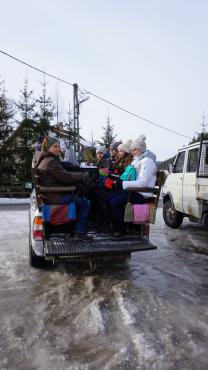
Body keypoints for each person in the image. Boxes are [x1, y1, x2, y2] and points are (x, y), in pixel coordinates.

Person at [35, 136, 92, 241]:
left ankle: (74, 229)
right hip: (55, 196)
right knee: (85, 203)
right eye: (55, 146)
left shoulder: (45, 159)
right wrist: (82, 175)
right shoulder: (50, 162)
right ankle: (79, 232)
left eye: (59, 146)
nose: (58, 149)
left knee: (79, 195)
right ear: (47, 148)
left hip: (49, 195)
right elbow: (68, 178)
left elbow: (63, 176)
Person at [107, 135, 157, 237]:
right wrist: (118, 180)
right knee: (109, 198)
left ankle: (121, 230)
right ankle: (119, 226)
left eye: (135, 149)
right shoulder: (137, 160)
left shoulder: (147, 161)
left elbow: (143, 182)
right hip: (134, 190)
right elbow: (129, 175)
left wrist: (123, 183)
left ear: (141, 148)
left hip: (143, 193)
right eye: (132, 149)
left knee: (114, 203)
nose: (133, 151)